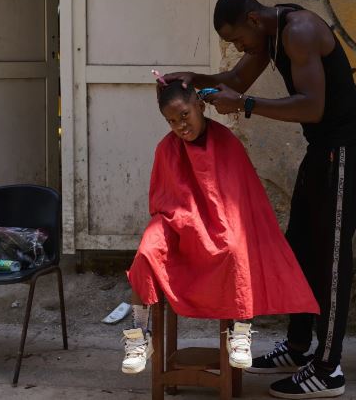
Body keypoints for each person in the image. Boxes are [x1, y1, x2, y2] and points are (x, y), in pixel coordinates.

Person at [159, 0, 356, 398]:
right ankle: (297, 348)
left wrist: (245, 106)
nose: (239, 49)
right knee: (297, 245)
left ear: (254, 19)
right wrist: (191, 80)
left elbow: (311, 107)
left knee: (330, 255)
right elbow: (236, 81)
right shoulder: (268, 35)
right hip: (323, 148)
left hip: (346, 147)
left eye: (238, 40)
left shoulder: (301, 31)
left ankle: (328, 368)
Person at [121, 79, 319, 375]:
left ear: (200, 106)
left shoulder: (226, 142)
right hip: (178, 223)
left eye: (185, 115)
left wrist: (206, 226)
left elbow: (238, 201)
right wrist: (186, 223)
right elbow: (162, 202)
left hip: (221, 222)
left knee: (236, 247)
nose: (180, 126)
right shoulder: (166, 148)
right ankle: (139, 335)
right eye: (172, 121)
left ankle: (240, 329)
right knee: (146, 252)